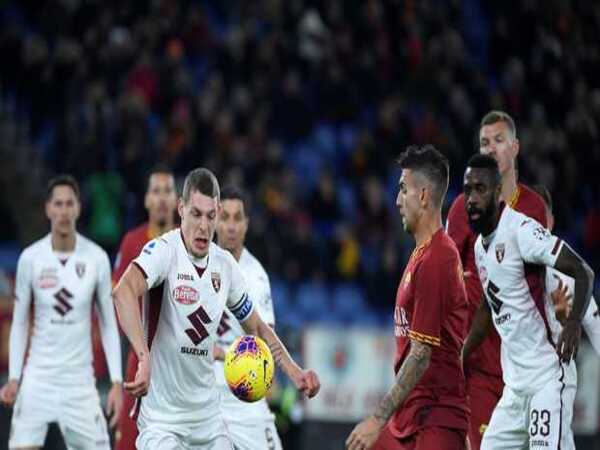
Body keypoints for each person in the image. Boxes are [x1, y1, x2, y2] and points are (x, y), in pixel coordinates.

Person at [112, 167, 320, 450]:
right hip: (163, 420)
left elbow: (257, 327)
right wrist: (143, 355)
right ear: (181, 209)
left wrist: (295, 372)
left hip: (207, 420)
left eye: (211, 216)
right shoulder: (163, 251)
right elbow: (123, 292)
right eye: (196, 214)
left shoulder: (225, 266)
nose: (203, 226)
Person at [461, 154, 594, 450]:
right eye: (467, 189)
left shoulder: (521, 231)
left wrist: (573, 324)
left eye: (480, 189)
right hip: (514, 390)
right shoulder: (482, 246)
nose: (471, 198)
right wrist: (461, 355)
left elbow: (583, 271)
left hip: (546, 380)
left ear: (498, 193)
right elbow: (488, 304)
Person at [346, 145, 469, 450]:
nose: (398, 200)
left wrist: (377, 418)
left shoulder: (438, 258)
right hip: (412, 416)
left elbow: (421, 354)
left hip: (435, 418)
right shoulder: (420, 255)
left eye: (403, 190)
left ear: (424, 195)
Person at [445, 110, 548, 449]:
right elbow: (447, 280)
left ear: (515, 147)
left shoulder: (534, 208)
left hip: (529, 365)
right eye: (484, 142)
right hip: (481, 366)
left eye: (498, 141)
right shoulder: (462, 209)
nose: (490, 149)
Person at [0, 175, 123, 449]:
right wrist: (14, 378)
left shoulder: (96, 258)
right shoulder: (31, 258)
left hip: (80, 383)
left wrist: (116, 381)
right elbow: (19, 323)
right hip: (38, 379)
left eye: (70, 204)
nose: (64, 211)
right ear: (48, 208)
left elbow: (108, 325)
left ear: (78, 208)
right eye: (58, 204)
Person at [214, 185, 283, 450]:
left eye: (237, 218)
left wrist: (219, 354)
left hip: (242, 395)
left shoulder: (255, 276)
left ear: (246, 224)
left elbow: (264, 347)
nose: (230, 226)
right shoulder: (195, 265)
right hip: (201, 394)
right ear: (215, 220)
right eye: (225, 217)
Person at [113, 165, 178, 450]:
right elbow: (116, 294)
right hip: (140, 359)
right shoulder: (132, 242)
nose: (162, 198)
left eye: (168, 191)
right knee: (129, 441)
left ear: (178, 200)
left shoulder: (189, 243)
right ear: (146, 200)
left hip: (178, 361)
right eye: (156, 191)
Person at [531, 184, 600, 354]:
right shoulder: (503, 266)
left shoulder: (572, 275)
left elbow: (596, 330)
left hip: (556, 375)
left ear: (551, 222)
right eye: (529, 218)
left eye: (541, 217)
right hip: (508, 376)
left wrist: (564, 322)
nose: (535, 227)